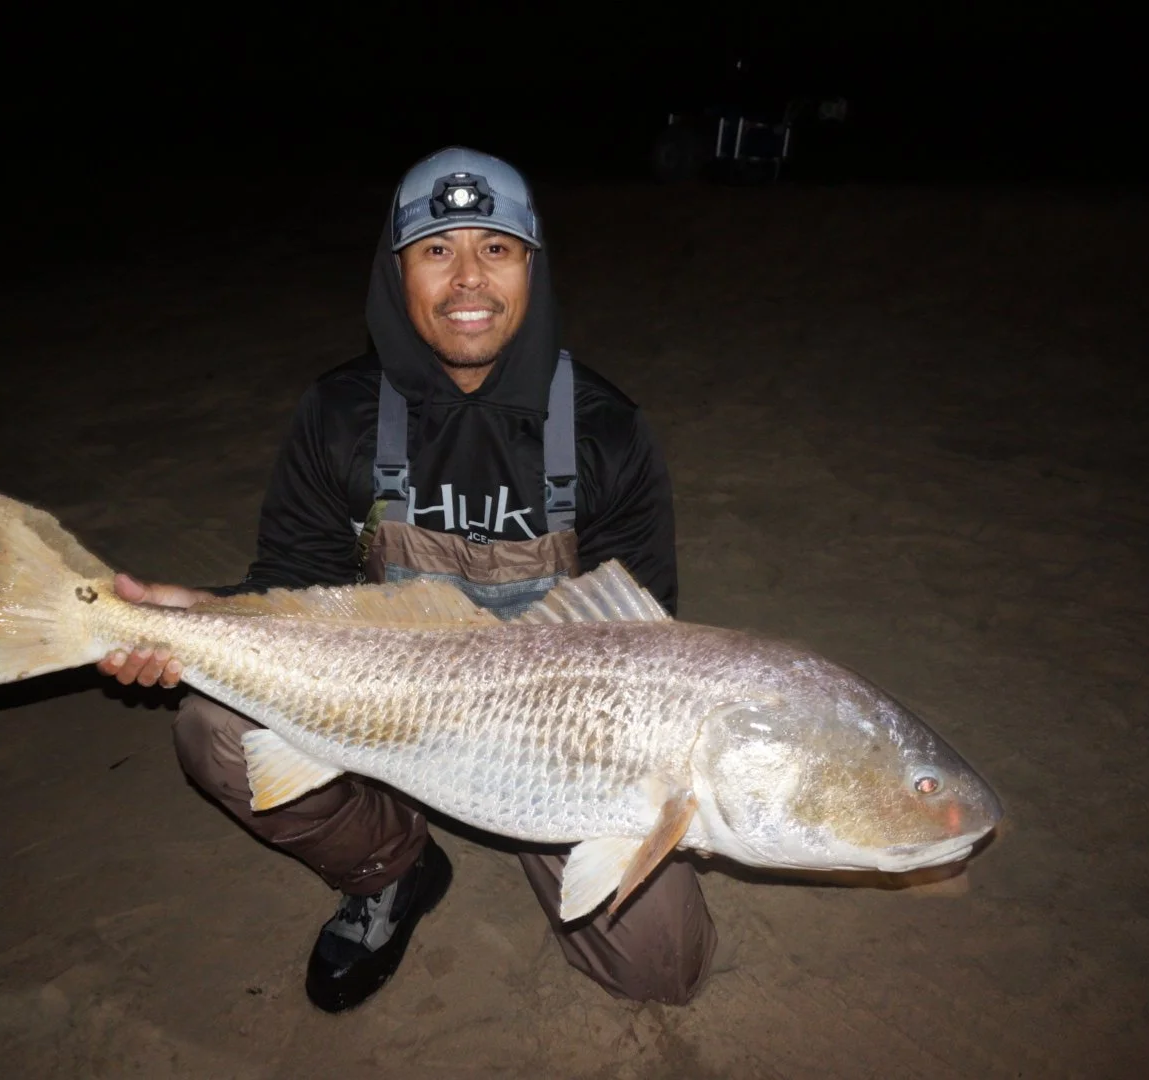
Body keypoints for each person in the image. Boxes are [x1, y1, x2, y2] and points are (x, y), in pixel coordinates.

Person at [98, 147, 716, 1013]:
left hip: (558, 742)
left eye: (495, 249)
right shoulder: (340, 414)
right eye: (437, 251)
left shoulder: (607, 430)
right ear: (398, 272)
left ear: (531, 266)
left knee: (662, 969)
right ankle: (393, 867)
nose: (469, 280)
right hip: (373, 703)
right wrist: (196, 615)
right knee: (214, 728)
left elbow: (644, 644)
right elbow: (297, 583)